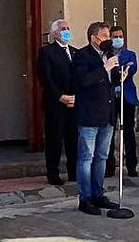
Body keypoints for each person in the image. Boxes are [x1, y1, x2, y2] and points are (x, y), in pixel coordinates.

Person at [72, 21, 121, 215]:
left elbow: (112, 81)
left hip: (107, 114)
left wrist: (119, 74)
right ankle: (85, 198)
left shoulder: (109, 55)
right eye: (106, 36)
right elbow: (84, 81)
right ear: (94, 38)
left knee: (102, 157)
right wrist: (105, 67)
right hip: (89, 114)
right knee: (86, 157)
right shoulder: (82, 55)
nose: (109, 39)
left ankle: (98, 194)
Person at [38, 19, 79, 186]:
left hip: (74, 102)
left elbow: (80, 76)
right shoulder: (47, 52)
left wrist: (76, 96)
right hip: (56, 103)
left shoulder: (76, 52)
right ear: (55, 32)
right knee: (54, 139)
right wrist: (60, 96)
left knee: (73, 138)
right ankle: (53, 173)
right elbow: (46, 77)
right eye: (63, 29)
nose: (66, 31)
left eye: (68, 28)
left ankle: (73, 172)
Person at [106, 25, 139, 178]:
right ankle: (109, 166)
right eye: (115, 37)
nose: (118, 39)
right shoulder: (106, 55)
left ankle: (132, 166)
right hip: (111, 98)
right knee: (109, 132)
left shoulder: (130, 54)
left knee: (129, 133)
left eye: (120, 36)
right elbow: (108, 71)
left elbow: (131, 70)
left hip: (127, 97)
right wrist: (118, 69)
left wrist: (120, 69)